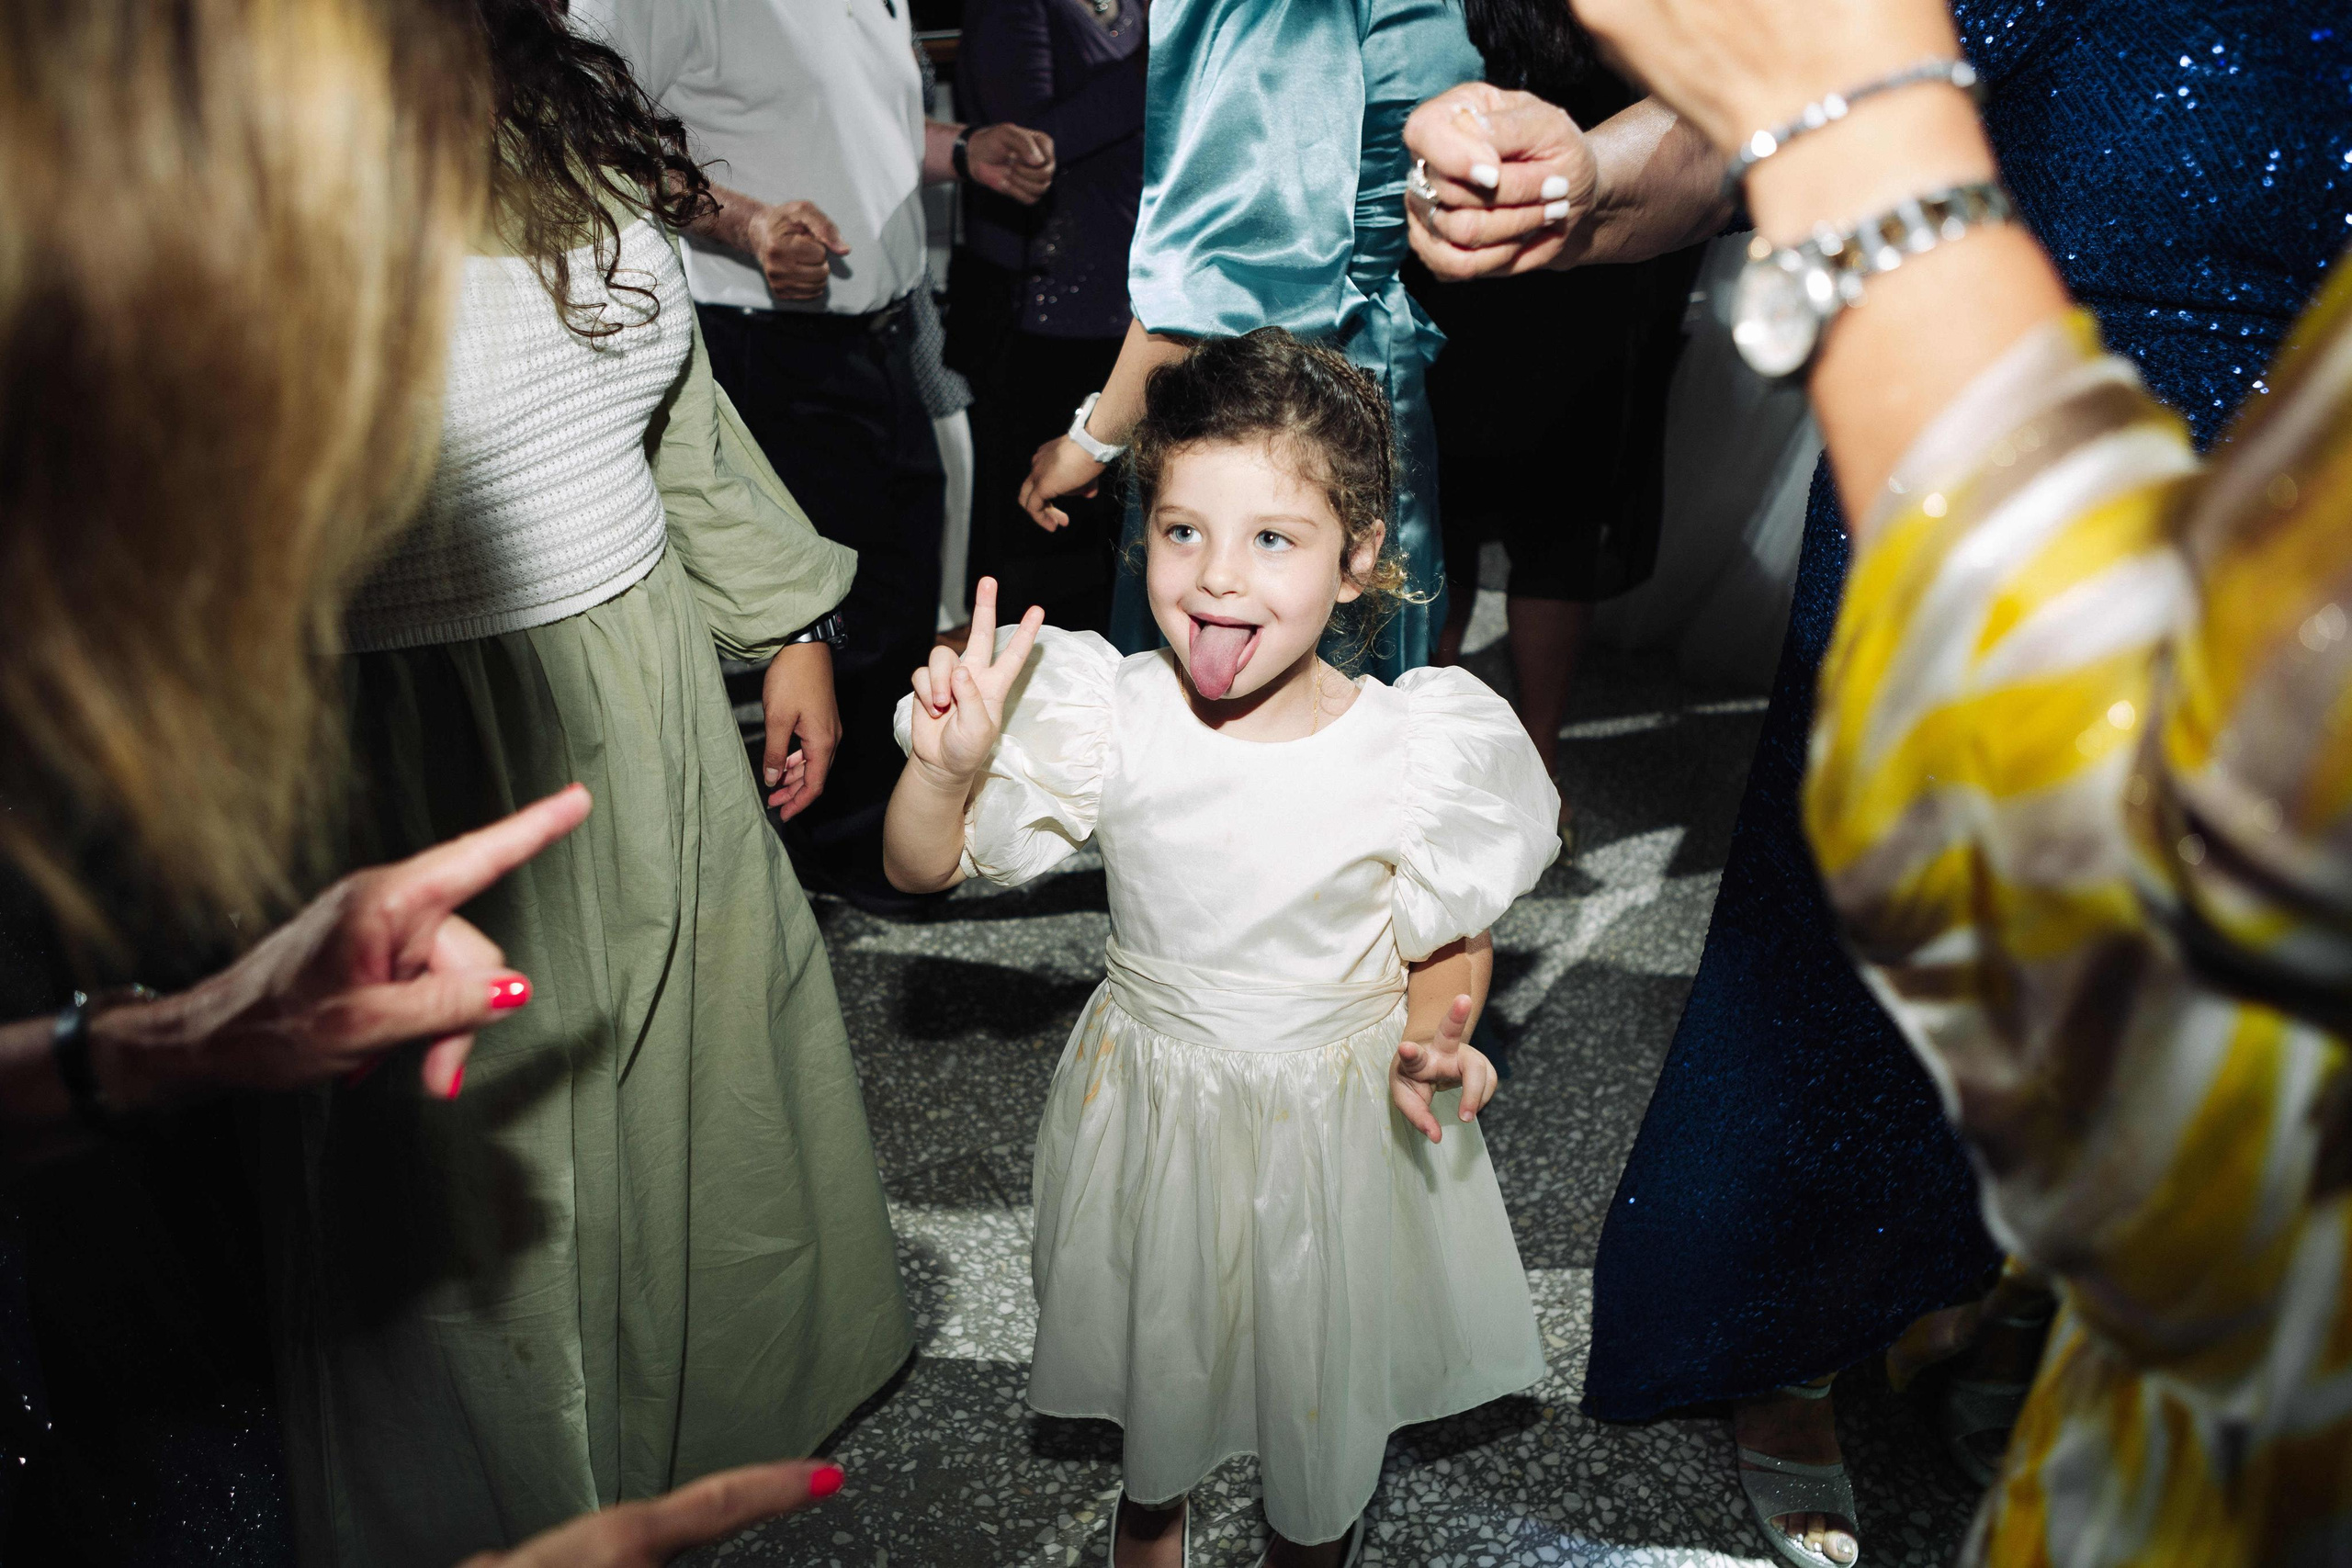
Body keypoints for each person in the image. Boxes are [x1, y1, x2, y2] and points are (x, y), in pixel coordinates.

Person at [1403, 6, 2350, 1563]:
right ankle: (1793, 1341)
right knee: (1863, 955)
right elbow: (1794, 94)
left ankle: (2025, 1307)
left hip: (2292, 510)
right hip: (1972, 412)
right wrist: (1577, 171)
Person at [260, 6, 914, 1562]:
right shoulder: (239, 148)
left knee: (682, 1081)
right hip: (425, 731)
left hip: (649, 688)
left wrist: (786, 626)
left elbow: (670, 408)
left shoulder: (551, 99)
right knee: (485, 1169)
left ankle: (666, 1455)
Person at [887, 331, 1559, 1568]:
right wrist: (942, 772)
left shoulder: (1412, 750)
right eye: (1183, 528)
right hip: (1156, 1104)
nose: (1214, 578)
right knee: (1166, 1359)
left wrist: (1441, 1031)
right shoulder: (1113, 711)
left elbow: (1449, 933)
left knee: (1321, 1386)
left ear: (1358, 559)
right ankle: (1156, 1512)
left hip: (1335, 1122)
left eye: (1273, 539)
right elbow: (918, 869)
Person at [574, 0, 1057, 913]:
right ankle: (820, 856)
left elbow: (850, 127)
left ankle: (888, 833)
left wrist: (961, 152)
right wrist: (745, 221)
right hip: (767, 341)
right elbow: (593, 126)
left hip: (879, 333)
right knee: (812, 618)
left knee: (897, 598)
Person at [1017, 0, 1485, 682]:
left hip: (1264, 408)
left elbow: (1229, 266)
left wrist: (1092, 439)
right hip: (1370, 368)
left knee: (1232, 675)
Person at [1408, 0, 1703, 846]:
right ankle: (1459, 758)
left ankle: (1521, 767)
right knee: (1460, 509)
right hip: (1485, 230)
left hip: (1584, 232)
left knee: (1529, 517)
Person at [951, 0, 1148, 636]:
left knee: (1125, 554)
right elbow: (1027, 144)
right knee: (1041, 564)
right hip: (1043, 317)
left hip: (1134, 315)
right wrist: (1165, 67)